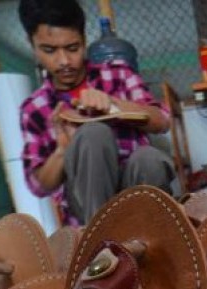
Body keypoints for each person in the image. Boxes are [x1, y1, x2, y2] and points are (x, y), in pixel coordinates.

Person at [18, 0, 175, 225]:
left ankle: (153, 236)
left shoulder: (119, 74)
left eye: (73, 48)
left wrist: (113, 105)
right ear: (32, 44)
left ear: (84, 39)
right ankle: (101, 242)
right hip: (87, 206)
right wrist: (63, 150)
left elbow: (163, 121)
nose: (64, 61)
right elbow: (39, 186)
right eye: (49, 50)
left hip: (136, 189)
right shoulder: (34, 108)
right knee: (93, 134)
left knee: (148, 158)